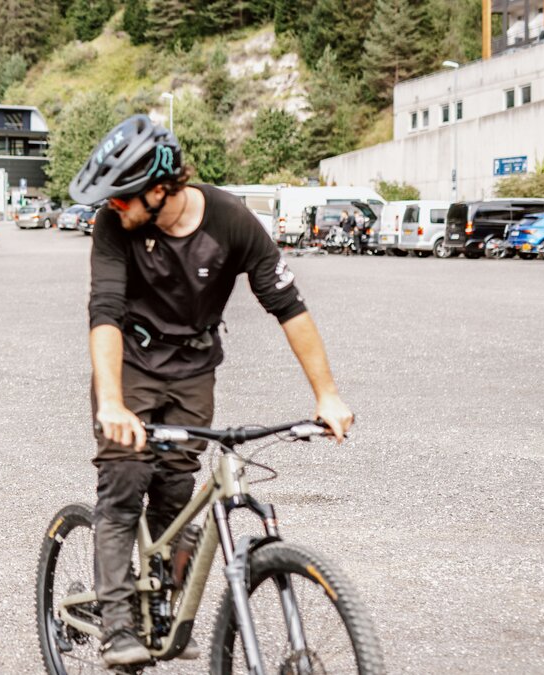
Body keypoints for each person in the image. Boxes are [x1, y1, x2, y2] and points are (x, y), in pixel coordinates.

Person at [69, 115, 354, 667]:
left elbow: (289, 309)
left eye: (122, 199)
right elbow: (103, 313)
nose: (112, 209)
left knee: (178, 489)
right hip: (130, 365)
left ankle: (163, 598)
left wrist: (327, 395)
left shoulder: (231, 221)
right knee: (125, 481)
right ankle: (119, 624)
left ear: (159, 190)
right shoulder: (113, 226)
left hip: (194, 368)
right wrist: (111, 401)